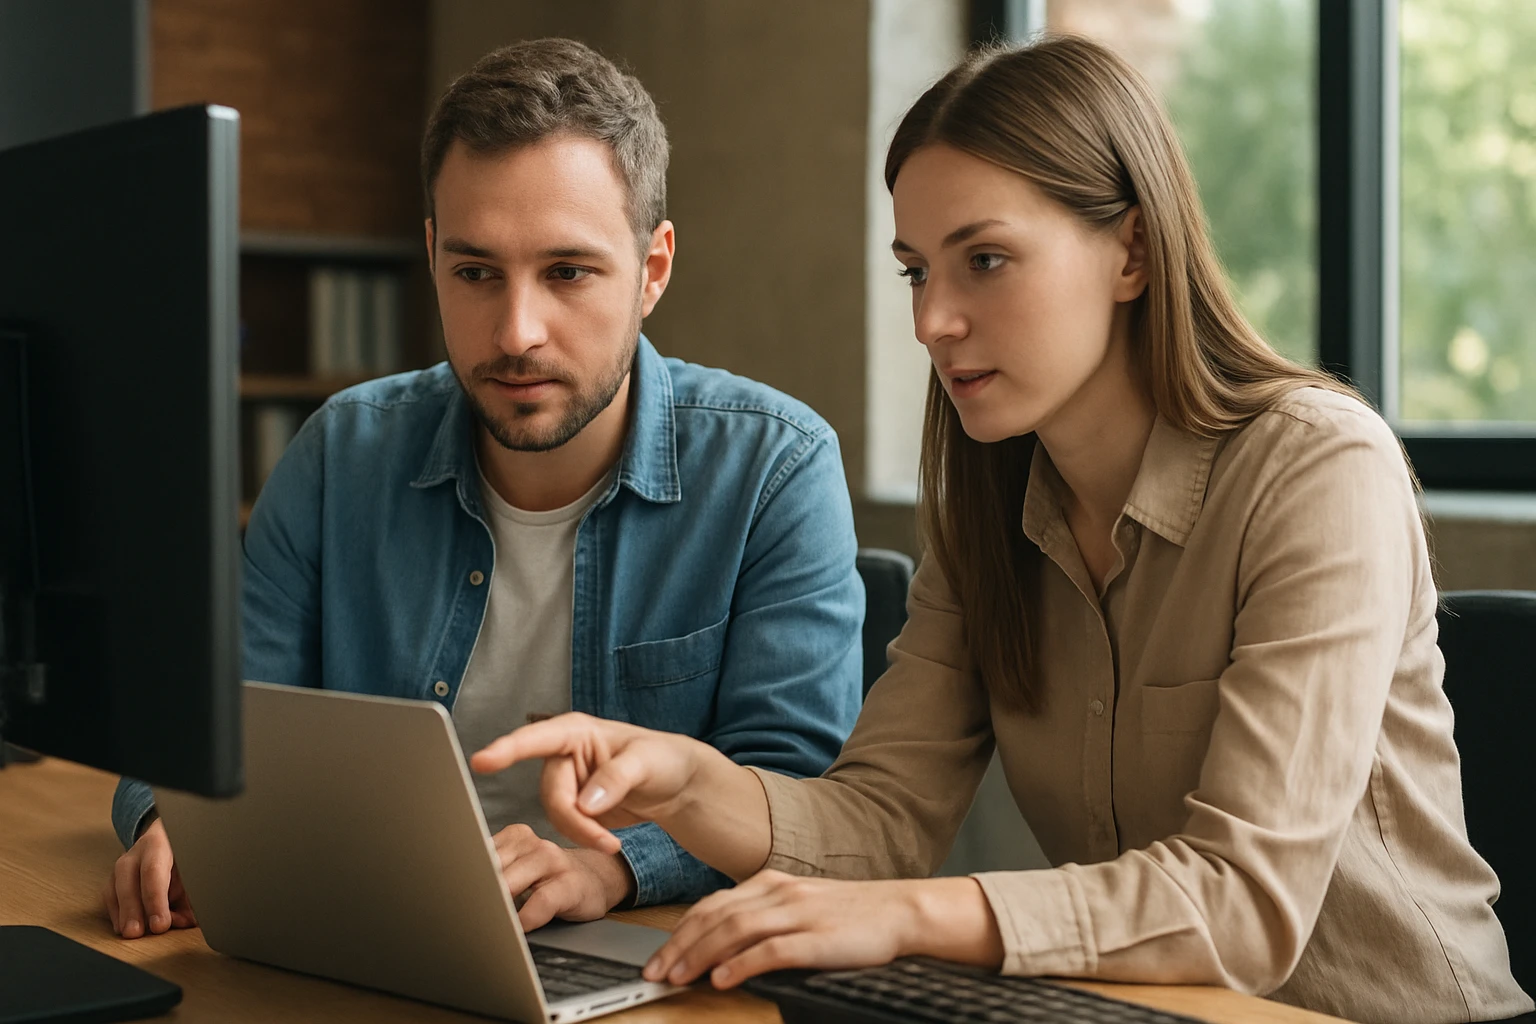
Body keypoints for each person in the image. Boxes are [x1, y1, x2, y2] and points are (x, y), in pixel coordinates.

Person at [472, 36, 1534, 1024]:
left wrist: (913, 914)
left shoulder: (1317, 467)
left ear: (1131, 253)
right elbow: (882, 820)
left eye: (984, 260)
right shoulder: (990, 503)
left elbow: (1244, 903)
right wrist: (685, 780)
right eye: (918, 269)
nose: (934, 318)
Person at [101, 38, 864, 943]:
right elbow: (211, 718)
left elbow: (798, 800)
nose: (517, 331)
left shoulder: (774, 467)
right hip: (370, 932)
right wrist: (173, 825)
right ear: (431, 256)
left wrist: (614, 868)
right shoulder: (342, 452)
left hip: (641, 956)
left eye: (568, 272)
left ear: (652, 270)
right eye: (475, 273)